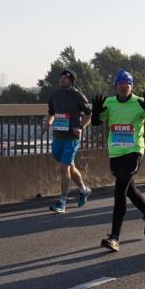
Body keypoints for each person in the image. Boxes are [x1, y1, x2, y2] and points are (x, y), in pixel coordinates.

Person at [91, 70, 145, 252]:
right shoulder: (109, 102)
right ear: (115, 86)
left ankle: (114, 237)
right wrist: (95, 113)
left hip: (134, 151)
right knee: (129, 189)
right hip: (116, 152)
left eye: (127, 84)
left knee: (120, 189)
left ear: (131, 86)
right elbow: (96, 123)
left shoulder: (139, 102)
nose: (124, 87)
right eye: (121, 84)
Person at [42, 68, 92, 213]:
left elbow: (89, 114)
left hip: (72, 138)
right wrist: (47, 124)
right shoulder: (54, 95)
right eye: (61, 77)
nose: (62, 80)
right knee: (69, 166)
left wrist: (81, 127)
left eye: (65, 78)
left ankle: (62, 202)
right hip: (58, 136)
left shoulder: (78, 96)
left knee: (64, 168)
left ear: (71, 80)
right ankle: (83, 189)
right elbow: (51, 113)